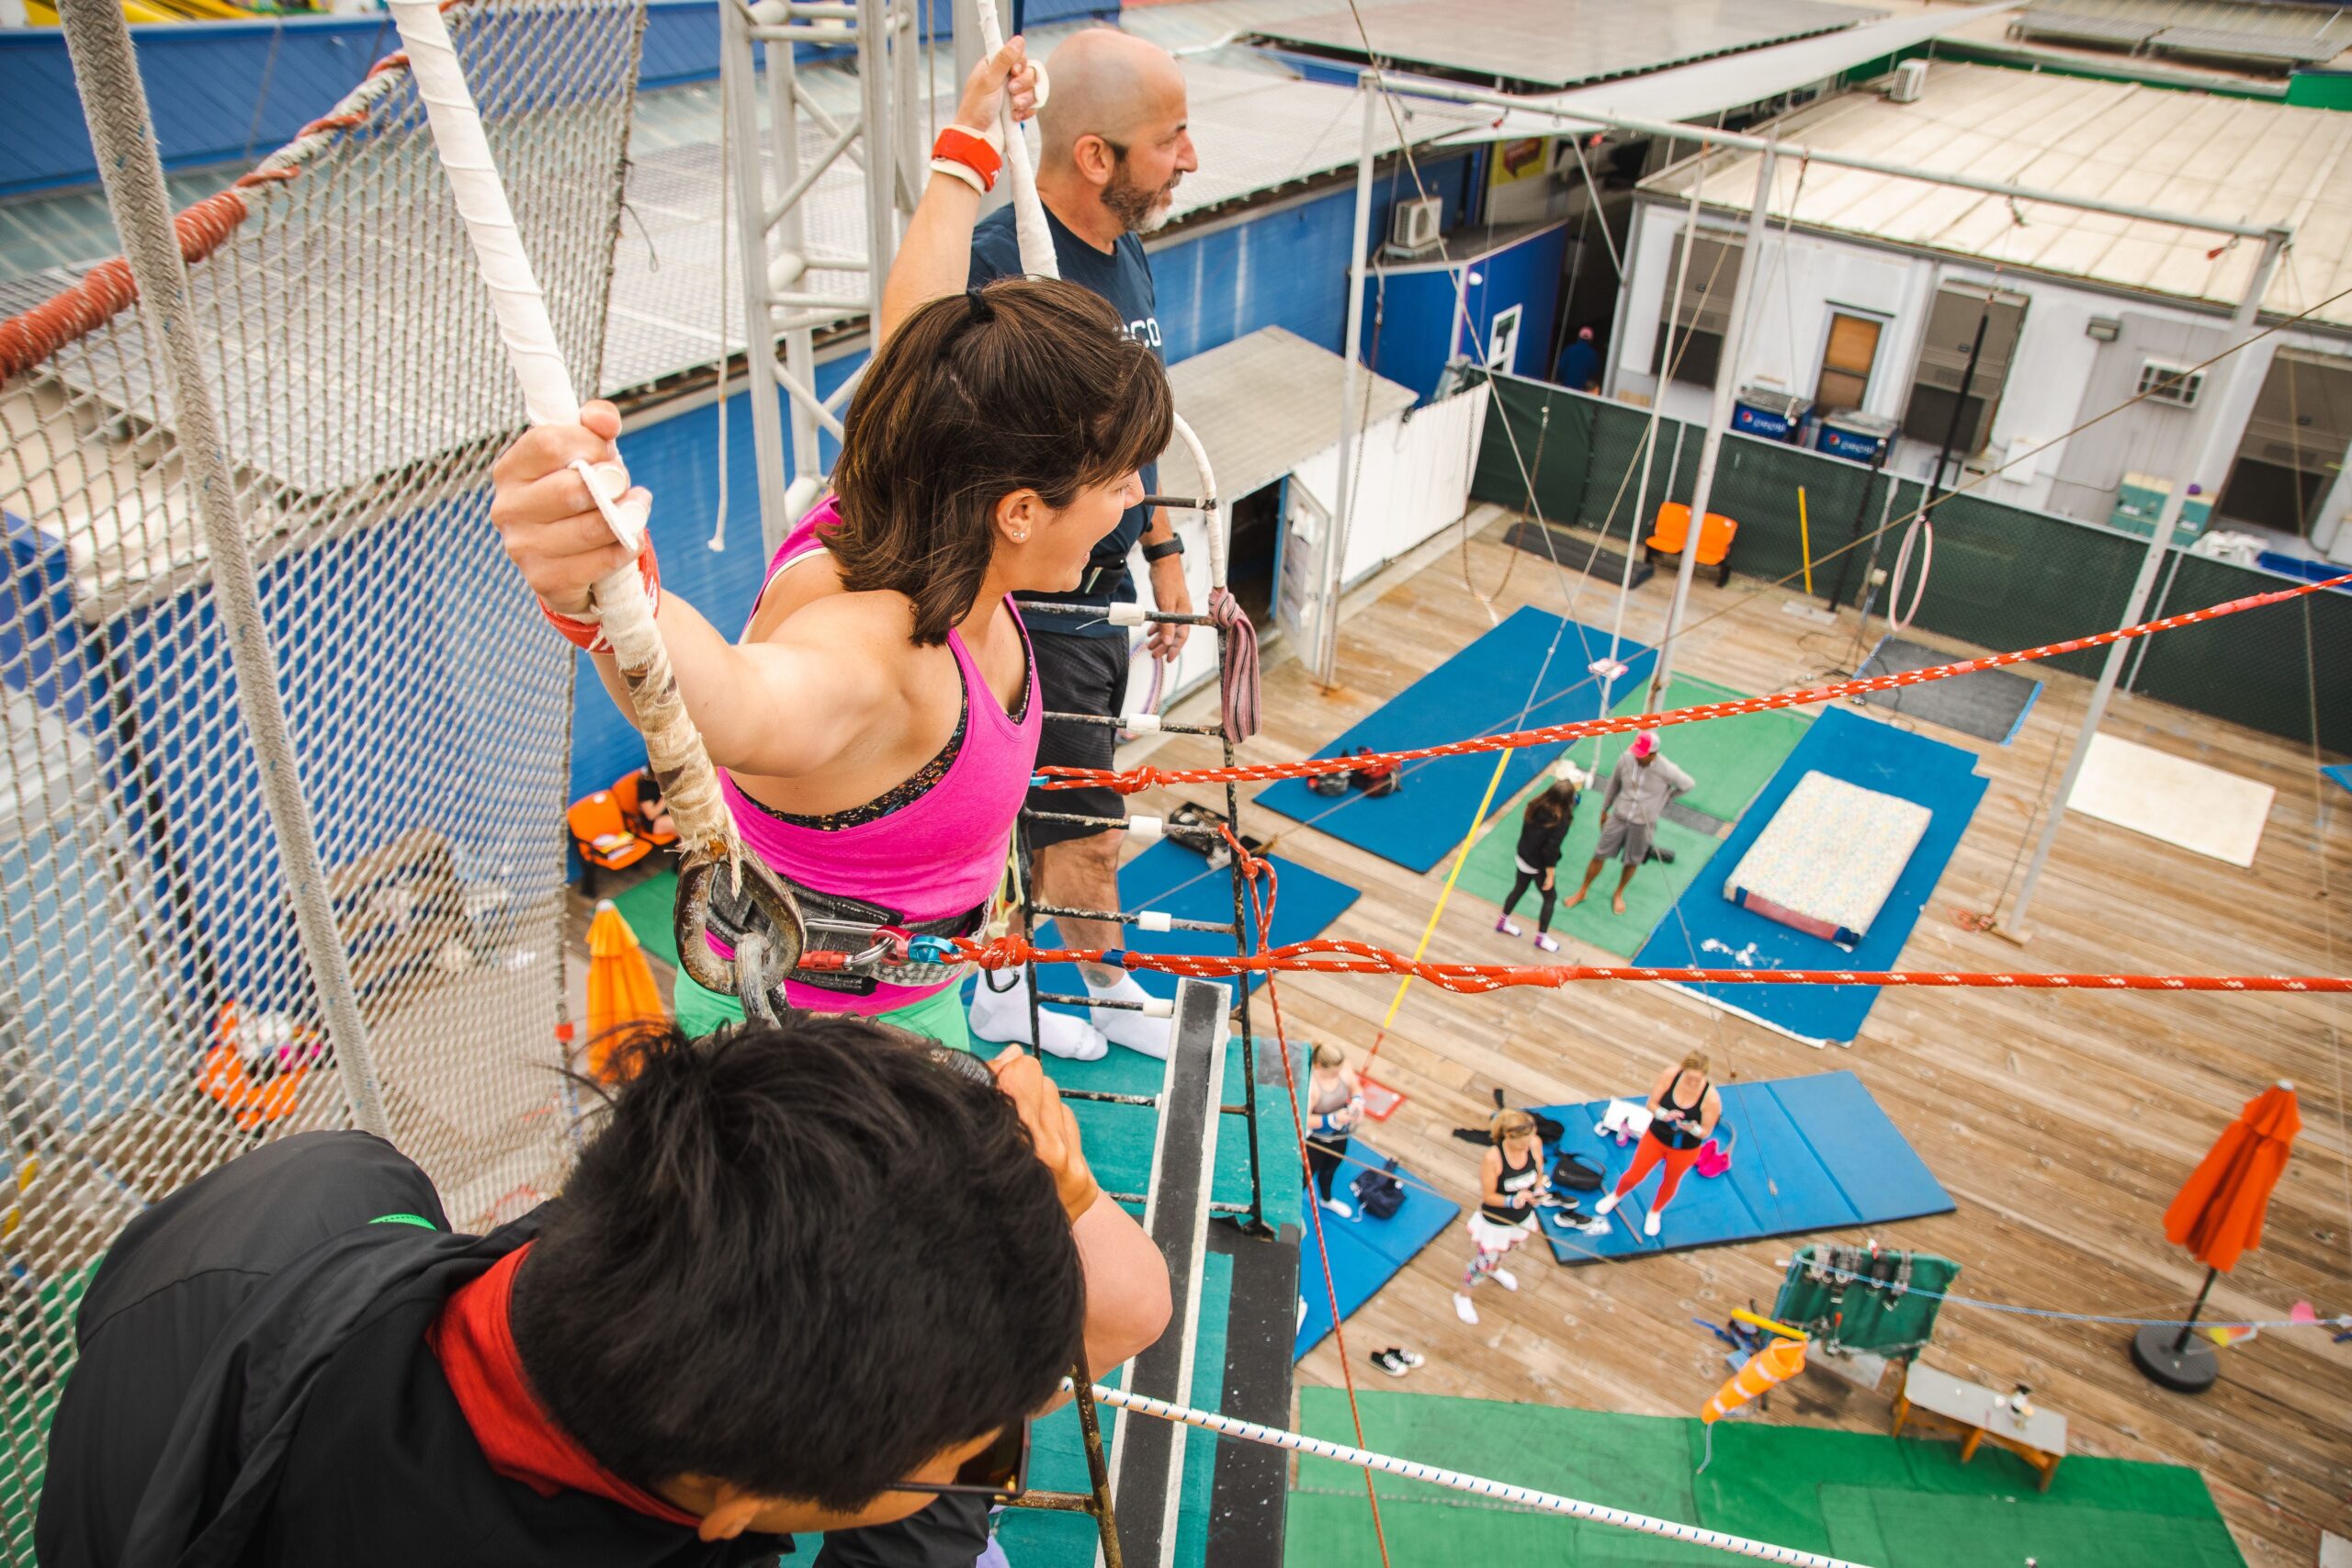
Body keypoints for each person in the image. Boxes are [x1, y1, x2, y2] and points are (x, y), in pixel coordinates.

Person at [489, 44, 1170, 1055]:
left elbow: (919, 331)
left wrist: (969, 139)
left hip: (909, 996)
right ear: (1021, 512)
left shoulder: (915, 489)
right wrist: (598, 582)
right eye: (1118, 480)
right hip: (824, 1056)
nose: (1136, 499)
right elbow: (733, 702)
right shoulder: (878, 653)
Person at [36, 1020, 1173, 1568]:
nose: (980, 1474)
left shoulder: (315, 1195)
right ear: (734, 1507)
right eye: (970, 1461)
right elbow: (1124, 1317)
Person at [956, 26, 1202, 1063]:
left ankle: (1042, 985)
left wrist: (1163, 554)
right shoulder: (1001, 267)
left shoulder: (1125, 248)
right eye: (1170, 139)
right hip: (1036, 603)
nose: (1190, 159)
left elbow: (1138, 422)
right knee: (1080, 830)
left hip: (1102, 588)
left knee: (1055, 819)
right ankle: (1083, 989)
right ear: (1095, 156)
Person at [1562, 729, 1692, 918]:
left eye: (1642, 754)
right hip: (1618, 817)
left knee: (1632, 860)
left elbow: (1687, 784)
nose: (1637, 757)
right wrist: (1604, 809)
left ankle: (1619, 893)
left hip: (1643, 824)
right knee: (1599, 854)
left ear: (1654, 754)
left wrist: (1664, 800)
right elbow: (1613, 784)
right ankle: (1583, 890)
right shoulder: (1626, 759)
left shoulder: (1667, 769)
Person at [1593, 1049, 1721, 1239]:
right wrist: (1665, 1115)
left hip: (1685, 1149)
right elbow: (1651, 1104)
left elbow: (1706, 1131)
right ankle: (1616, 1195)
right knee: (1634, 1175)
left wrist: (1691, 1128)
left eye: (1697, 1080)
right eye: (1689, 1078)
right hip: (1657, 1137)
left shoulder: (1711, 1098)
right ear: (1682, 1070)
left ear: (1705, 1076)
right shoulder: (1670, 1076)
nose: (1692, 1083)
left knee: (1670, 1181)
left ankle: (1655, 1212)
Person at [1453, 1109, 1547, 1325]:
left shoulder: (1534, 1143)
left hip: (1522, 1218)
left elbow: (1539, 1171)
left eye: (1531, 1138)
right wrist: (1512, 1200)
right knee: (1483, 1262)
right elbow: (1488, 1196)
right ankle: (1463, 1295)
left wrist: (1539, 1189)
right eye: (1523, 1141)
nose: (1529, 1144)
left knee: (1506, 1252)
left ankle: (1496, 1270)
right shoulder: (1493, 1158)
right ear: (1509, 1136)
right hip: (1496, 1222)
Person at [1495, 763, 1582, 953]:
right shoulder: (1561, 821)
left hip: (1523, 855)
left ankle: (1503, 921)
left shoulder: (1535, 805)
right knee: (1550, 898)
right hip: (1536, 864)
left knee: (1519, 888)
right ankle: (1541, 938)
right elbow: (1550, 850)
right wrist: (1550, 875)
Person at [1304, 1041, 1364, 1220]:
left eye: (1339, 1070)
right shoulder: (1311, 1085)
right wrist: (1332, 1120)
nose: (1338, 1074)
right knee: (1303, 1178)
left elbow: (1355, 1087)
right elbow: (1303, 1119)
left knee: (1329, 1171)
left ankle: (1326, 1200)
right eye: (1333, 1072)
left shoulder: (1343, 1067)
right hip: (1314, 1141)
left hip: (1339, 1136)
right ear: (1318, 1066)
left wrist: (1358, 1101)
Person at [1555, 325, 1600, 393]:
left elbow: (1561, 367)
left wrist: (1560, 380)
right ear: (1591, 340)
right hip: (1581, 390)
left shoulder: (1569, 349)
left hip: (1566, 386)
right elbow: (1593, 372)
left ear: (1579, 337)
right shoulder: (1592, 354)